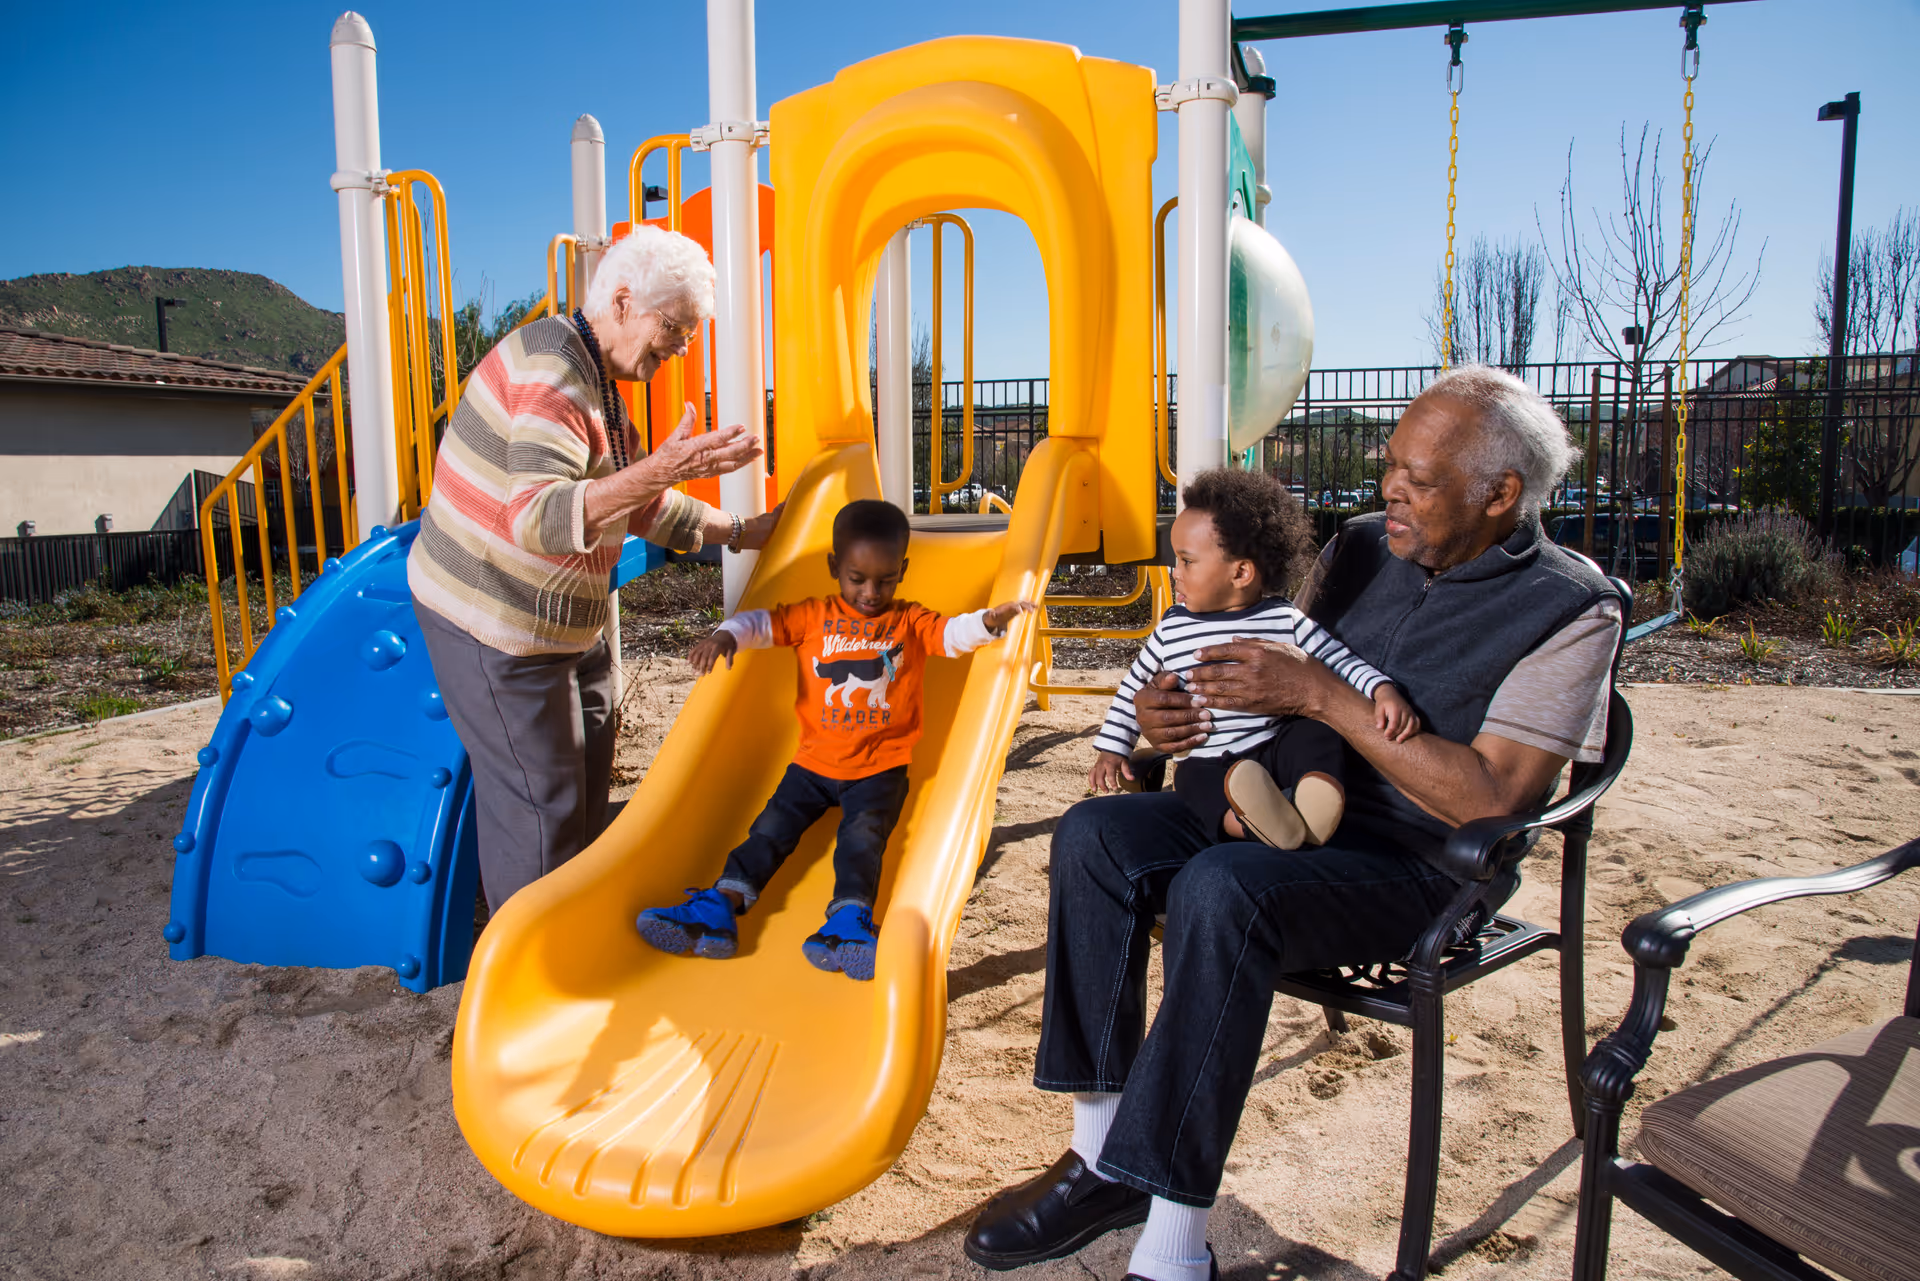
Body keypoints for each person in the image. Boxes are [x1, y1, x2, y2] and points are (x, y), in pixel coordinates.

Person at [964, 365, 1622, 1281]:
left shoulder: (1572, 608)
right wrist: (1165, 723)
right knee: (1095, 836)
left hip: (1420, 862)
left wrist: (1325, 697)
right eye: (1391, 464)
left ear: (1500, 494)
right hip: (1276, 807)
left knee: (1222, 888)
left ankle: (1173, 1241)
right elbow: (1253, 668)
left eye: (1418, 479)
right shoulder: (1360, 549)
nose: (1388, 487)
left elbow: (1491, 802)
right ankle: (1101, 1156)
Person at [409, 224, 780, 915]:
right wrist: (660, 469)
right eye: (674, 328)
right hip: (493, 617)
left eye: (690, 335)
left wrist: (742, 530)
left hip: (566, 622)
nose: (679, 348)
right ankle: (528, 973)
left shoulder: (601, 377)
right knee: (541, 803)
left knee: (589, 759)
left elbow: (634, 500)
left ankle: (563, 924)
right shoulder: (553, 377)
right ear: (620, 301)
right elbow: (540, 519)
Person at [635, 499, 1034, 981]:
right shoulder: (814, 616)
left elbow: (951, 635)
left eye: (886, 580)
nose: (871, 591)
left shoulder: (908, 621)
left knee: (861, 845)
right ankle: (721, 906)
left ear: (902, 571)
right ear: (835, 568)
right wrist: (726, 636)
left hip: (879, 769)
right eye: (857, 578)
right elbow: (760, 624)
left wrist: (990, 621)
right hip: (812, 764)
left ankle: (846, 924)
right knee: (768, 832)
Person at [1088, 467, 1418, 850]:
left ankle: (1316, 803)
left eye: (1186, 561)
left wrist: (1382, 689)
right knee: (1190, 779)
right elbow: (1134, 687)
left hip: (1272, 745)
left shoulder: (1283, 619)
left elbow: (1337, 660)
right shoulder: (1171, 627)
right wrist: (1113, 748)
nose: (1174, 572)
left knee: (1315, 733)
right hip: (1209, 755)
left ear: (1241, 572)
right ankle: (1255, 826)